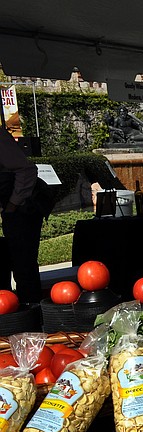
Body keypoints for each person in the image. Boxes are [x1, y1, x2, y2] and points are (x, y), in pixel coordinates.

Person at [0, 127, 43, 303]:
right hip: (10, 209)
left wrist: (12, 204)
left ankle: (31, 312)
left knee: (24, 267)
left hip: (22, 209)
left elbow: (26, 170)